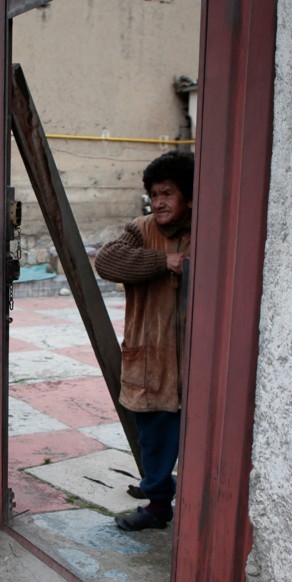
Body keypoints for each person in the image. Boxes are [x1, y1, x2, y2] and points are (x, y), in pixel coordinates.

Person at [94, 151, 194, 532]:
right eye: (154, 194)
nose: (160, 202)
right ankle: (156, 504)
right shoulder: (141, 229)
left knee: (195, 437)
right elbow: (108, 263)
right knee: (153, 435)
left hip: (192, 359)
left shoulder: (207, 227)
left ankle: (183, 497)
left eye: (168, 193)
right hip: (150, 358)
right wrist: (164, 261)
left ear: (187, 195)